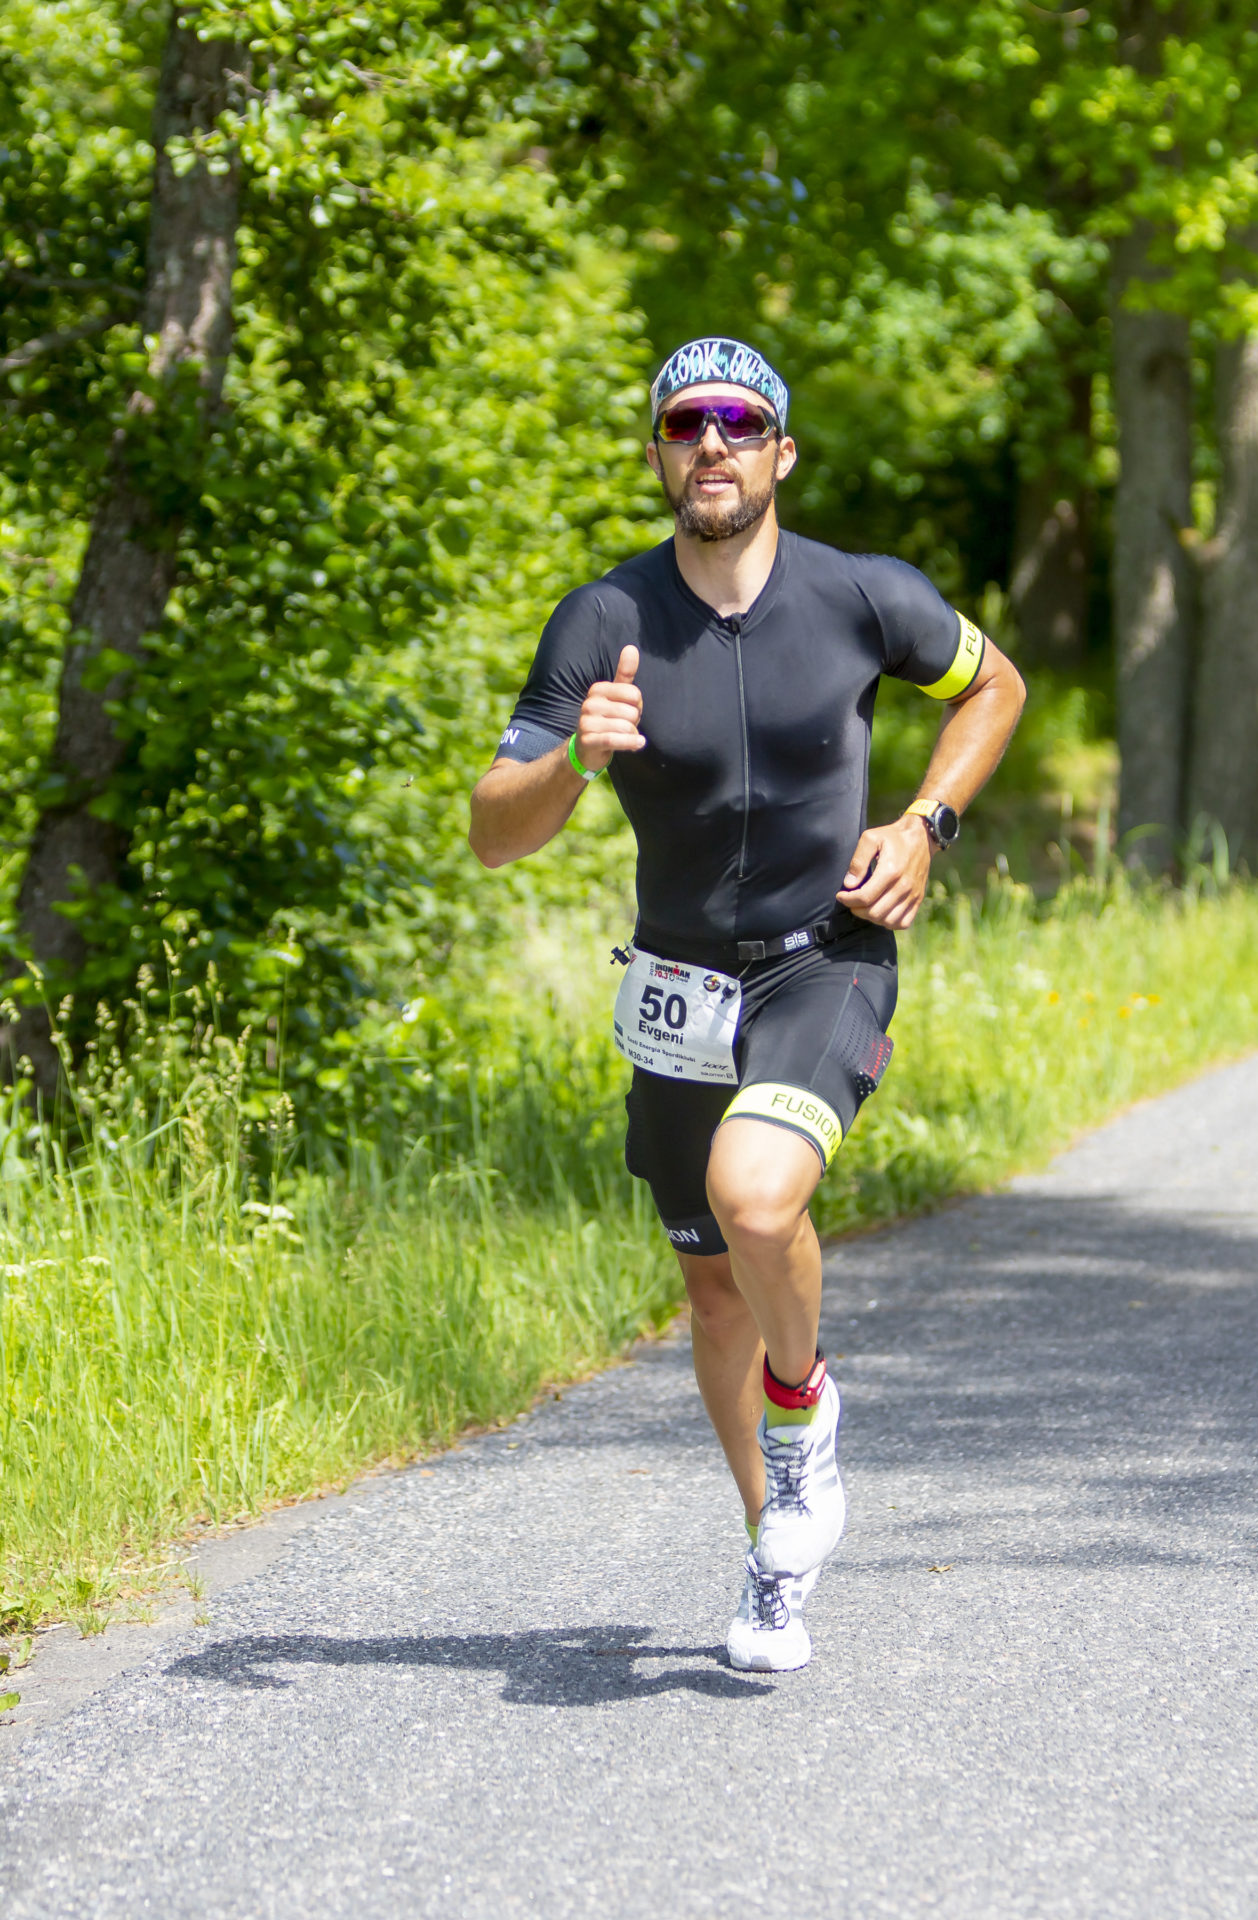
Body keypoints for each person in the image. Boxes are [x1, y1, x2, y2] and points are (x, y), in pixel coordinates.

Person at [469, 337, 1025, 1672]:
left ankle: (803, 1407)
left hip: (826, 955)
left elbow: (995, 686)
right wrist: (575, 763)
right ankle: (776, 1548)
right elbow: (493, 830)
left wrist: (927, 822)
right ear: (659, 455)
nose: (709, 443)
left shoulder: (862, 594)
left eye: (736, 421)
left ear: (782, 451)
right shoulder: (603, 618)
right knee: (715, 1296)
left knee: (757, 1199)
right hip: (677, 985)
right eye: (684, 424)